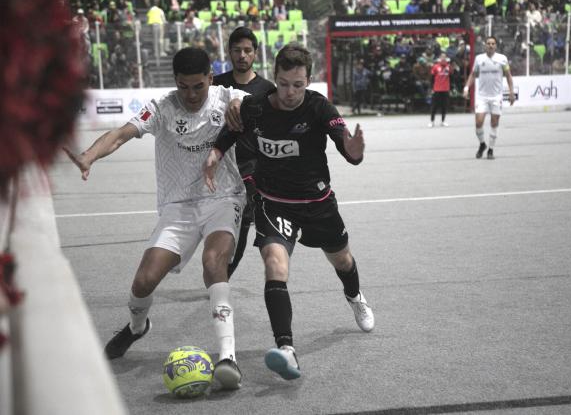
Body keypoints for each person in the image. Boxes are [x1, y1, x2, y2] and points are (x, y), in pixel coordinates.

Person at [64, 47, 248, 389]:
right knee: (144, 282)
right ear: (174, 82)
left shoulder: (228, 96)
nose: (191, 95)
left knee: (213, 261)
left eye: (198, 86)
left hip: (223, 197)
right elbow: (121, 134)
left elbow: (252, 100)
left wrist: (242, 104)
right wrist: (89, 155)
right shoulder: (162, 108)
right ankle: (137, 327)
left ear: (211, 78)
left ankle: (227, 357)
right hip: (178, 206)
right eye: (183, 86)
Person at [205, 43, 375, 381]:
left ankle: (355, 296)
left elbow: (342, 138)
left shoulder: (318, 107)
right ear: (275, 78)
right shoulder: (255, 107)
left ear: (308, 80)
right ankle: (286, 349)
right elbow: (231, 131)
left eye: (298, 84)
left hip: (317, 203)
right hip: (273, 202)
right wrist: (215, 153)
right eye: (283, 83)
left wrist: (352, 151)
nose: (290, 92)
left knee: (342, 260)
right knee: (275, 265)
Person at [212, 27, 276, 278]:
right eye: (237, 50)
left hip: (251, 172)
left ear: (256, 54)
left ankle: (223, 276)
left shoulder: (267, 88)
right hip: (218, 169)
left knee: (242, 227)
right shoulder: (216, 85)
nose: (242, 55)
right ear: (229, 53)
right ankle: (215, 272)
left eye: (247, 50)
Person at [463, 36, 515, 160]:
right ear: (485, 45)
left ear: (496, 46)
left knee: (494, 123)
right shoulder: (479, 59)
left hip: (496, 96)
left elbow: (508, 76)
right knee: (478, 122)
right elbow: (473, 74)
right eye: (488, 43)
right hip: (482, 97)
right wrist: (466, 88)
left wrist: (511, 92)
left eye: (493, 43)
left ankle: (490, 150)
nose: (490, 45)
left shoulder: (502, 59)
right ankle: (482, 144)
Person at [428, 53, 454, 127]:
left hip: (445, 89)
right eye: (442, 57)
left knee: (444, 106)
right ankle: (432, 121)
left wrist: (450, 88)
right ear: (439, 58)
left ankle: (443, 121)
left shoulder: (449, 67)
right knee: (434, 106)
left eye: (444, 57)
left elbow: (452, 77)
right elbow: (432, 78)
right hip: (437, 89)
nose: (443, 58)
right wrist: (432, 88)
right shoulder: (435, 67)